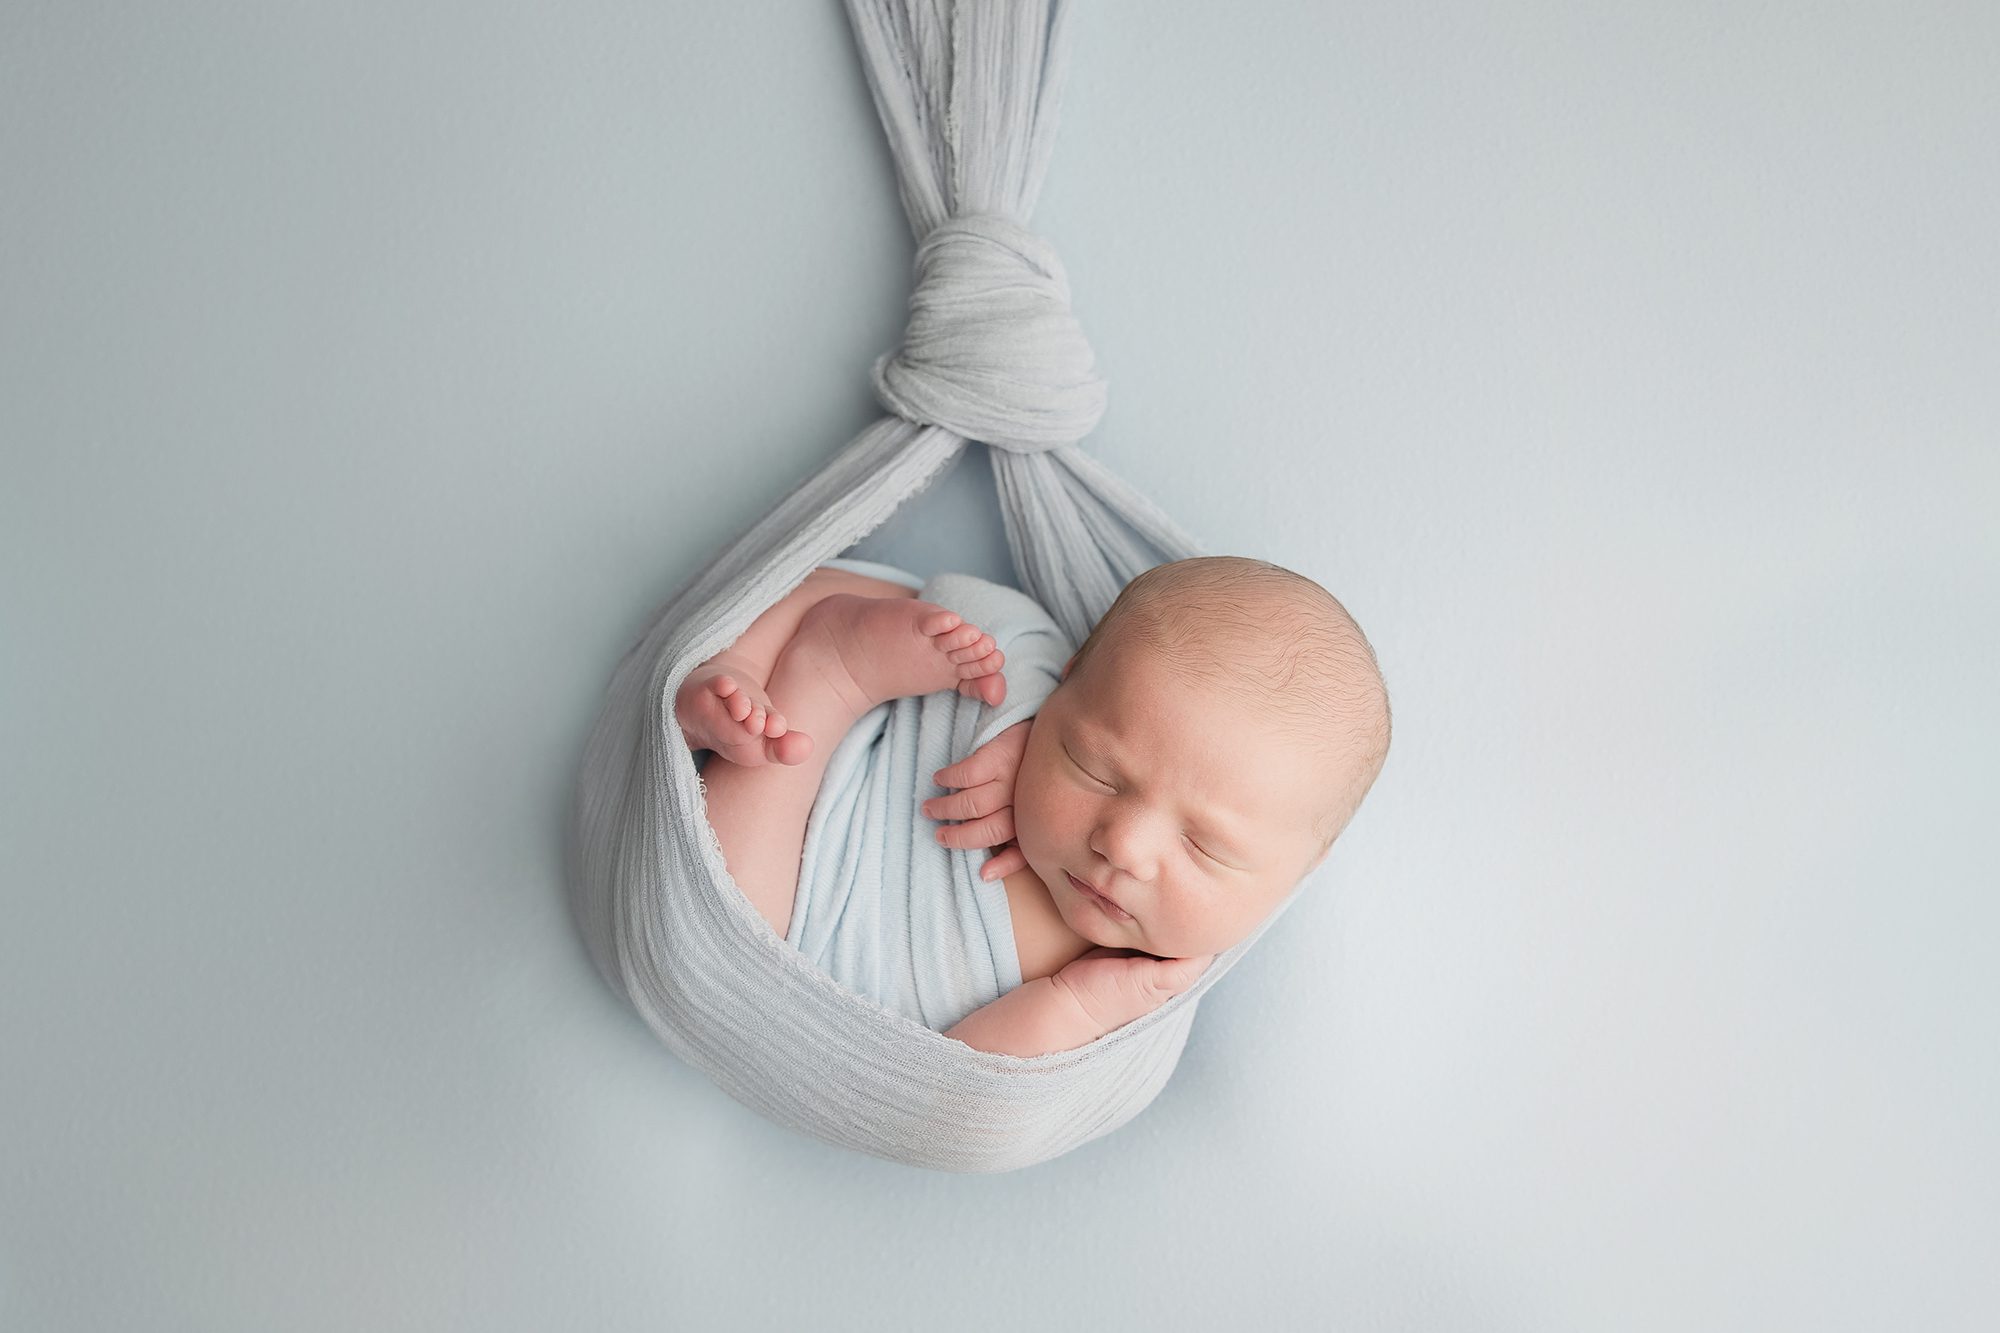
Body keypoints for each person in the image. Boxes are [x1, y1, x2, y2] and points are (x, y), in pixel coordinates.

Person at [678, 555, 1391, 1056]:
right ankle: (764, 673)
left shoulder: (1135, 1003)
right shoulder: (1033, 674)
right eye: (1096, 768)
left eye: (1205, 846)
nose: (1124, 845)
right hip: (813, 790)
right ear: (1072, 682)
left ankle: (825, 668)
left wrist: (1079, 1006)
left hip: (791, 971)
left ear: (1301, 870)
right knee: (897, 607)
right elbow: (905, 599)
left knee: (722, 929)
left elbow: (960, 1092)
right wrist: (1018, 716)